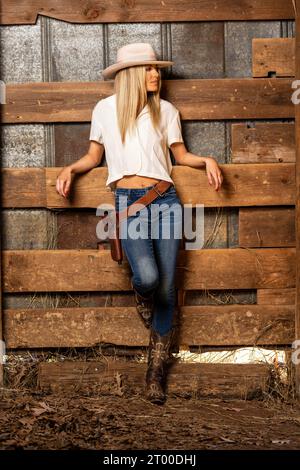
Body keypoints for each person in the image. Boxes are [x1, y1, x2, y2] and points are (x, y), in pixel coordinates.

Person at [56, 42, 223, 405]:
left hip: (165, 200)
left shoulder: (167, 110)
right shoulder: (104, 110)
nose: (155, 75)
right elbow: (93, 156)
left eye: (156, 69)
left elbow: (180, 155)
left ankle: (155, 373)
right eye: (148, 69)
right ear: (130, 74)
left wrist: (206, 160)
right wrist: (70, 168)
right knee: (147, 278)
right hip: (128, 203)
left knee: (166, 289)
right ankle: (140, 293)